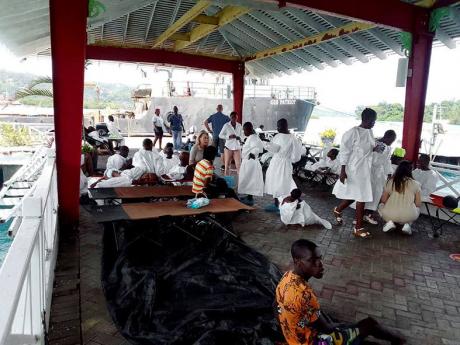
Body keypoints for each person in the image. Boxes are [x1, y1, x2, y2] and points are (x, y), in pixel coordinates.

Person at [276, 239, 406, 345]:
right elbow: (327, 328)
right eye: (312, 260)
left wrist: (292, 325)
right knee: (368, 324)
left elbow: (274, 306)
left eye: (319, 258)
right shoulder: (304, 294)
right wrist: (346, 327)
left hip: (292, 340)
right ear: (298, 262)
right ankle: (399, 339)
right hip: (315, 342)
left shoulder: (286, 278)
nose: (320, 264)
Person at [332, 108, 378, 239]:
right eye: (373, 121)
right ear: (366, 119)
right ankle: (358, 227)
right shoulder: (353, 132)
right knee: (361, 197)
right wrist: (342, 171)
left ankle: (338, 210)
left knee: (355, 195)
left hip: (365, 169)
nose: (374, 123)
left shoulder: (369, 132)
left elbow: (369, 147)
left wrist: (375, 148)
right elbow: (344, 152)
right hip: (354, 169)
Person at [264, 118, 303, 212]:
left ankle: (285, 203)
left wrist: (289, 159)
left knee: (283, 183)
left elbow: (297, 155)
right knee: (274, 182)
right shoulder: (278, 136)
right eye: (277, 126)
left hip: (284, 163)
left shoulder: (293, 138)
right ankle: (276, 203)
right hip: (276, 162)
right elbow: (273, 149)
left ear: (285, 126)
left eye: (278, 126)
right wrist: (267, 145)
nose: (277, 128)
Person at [362, 130, 396, 224]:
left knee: (376, 194)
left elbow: (387, 161)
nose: (392, 142)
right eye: (392, 140)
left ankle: (366, 215)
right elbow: (375, 161)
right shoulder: (380, 145)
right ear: (387, 137)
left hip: (379, 173)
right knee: (372, 194)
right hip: (373, 173)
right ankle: (365, 215)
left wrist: (389, 172)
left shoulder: (385, 146)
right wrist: (384, 167)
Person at [379, 160, 422, 235]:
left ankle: (389, 222)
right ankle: (408, 225)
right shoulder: (416, 184)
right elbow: (418, 203)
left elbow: (383, 200)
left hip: (390, 214)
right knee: (417, 209)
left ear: (398, 169)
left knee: (380, 205)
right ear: (410, 170)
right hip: (409, 215)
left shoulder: (390, 182)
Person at [238, 122, 264, 205]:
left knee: (249, 180)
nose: (244, 132)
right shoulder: (253, 137)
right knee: (248, 179)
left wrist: (252, 154)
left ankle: (250, 199)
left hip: (250, 162)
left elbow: (258, 148)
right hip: (249, 162)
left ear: (248, 129)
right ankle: (249, 197)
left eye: (244, 130)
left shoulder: (253, 138)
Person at [219, 111, 243, 176]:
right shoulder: (226, 125)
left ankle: (240, 183)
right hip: (228, 148)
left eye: (235, 117)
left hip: (237, 147)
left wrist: (239, 138)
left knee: (239, 165)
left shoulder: (239, 125)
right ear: (230, 118)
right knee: (227, 165)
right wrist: (228, 137)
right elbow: (220, 135)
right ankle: (226, 182)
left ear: (237, 118)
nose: (234, 119)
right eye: (233, 117)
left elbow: (242, 135)